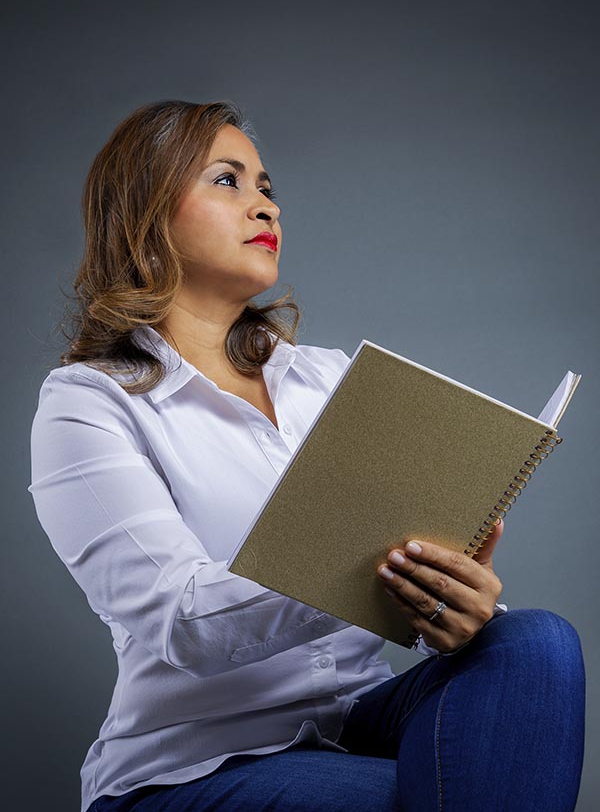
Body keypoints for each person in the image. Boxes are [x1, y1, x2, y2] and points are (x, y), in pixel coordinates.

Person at [27, 100, 585, 812]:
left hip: (356, 721)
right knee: (421, 796)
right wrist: (363, 570)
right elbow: (180, 619)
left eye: (267, 187)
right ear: (145, 214)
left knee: (534, 641)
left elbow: (405, 578)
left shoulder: (327, 377)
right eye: (227, 180)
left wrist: (442, 604)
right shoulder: (86, 403)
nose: (264, 206)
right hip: (194, 764)